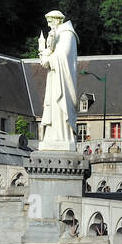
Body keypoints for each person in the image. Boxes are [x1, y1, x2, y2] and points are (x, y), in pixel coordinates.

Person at [38, 10, 78, 150]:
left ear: (57, 20)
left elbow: (64, 56)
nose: (49, 25)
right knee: (52, 106)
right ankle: (52, 136)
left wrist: (48, 59)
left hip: (62, 81)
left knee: (59, 107)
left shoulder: (68, 34)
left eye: (50, 22)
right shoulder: (56, 34)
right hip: (54, 78)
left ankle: (62, 136)